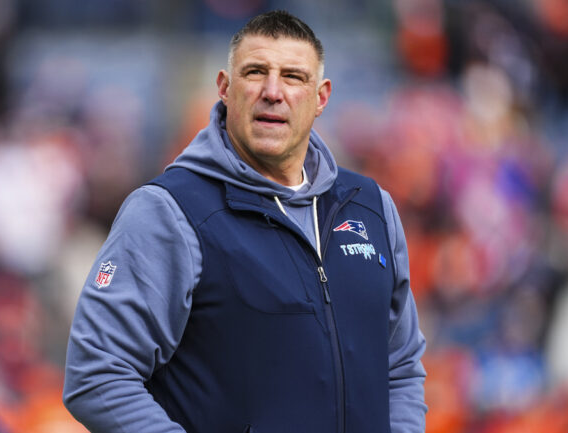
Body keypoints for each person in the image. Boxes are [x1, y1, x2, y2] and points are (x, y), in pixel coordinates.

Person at [63, 10, 427, 433]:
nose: (273, 92)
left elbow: (400, 367)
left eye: (293, 76)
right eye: (255, 72)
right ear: (225, 88)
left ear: (321, 97)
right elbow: (98, 374)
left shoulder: (371, 207)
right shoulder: (168, 211)